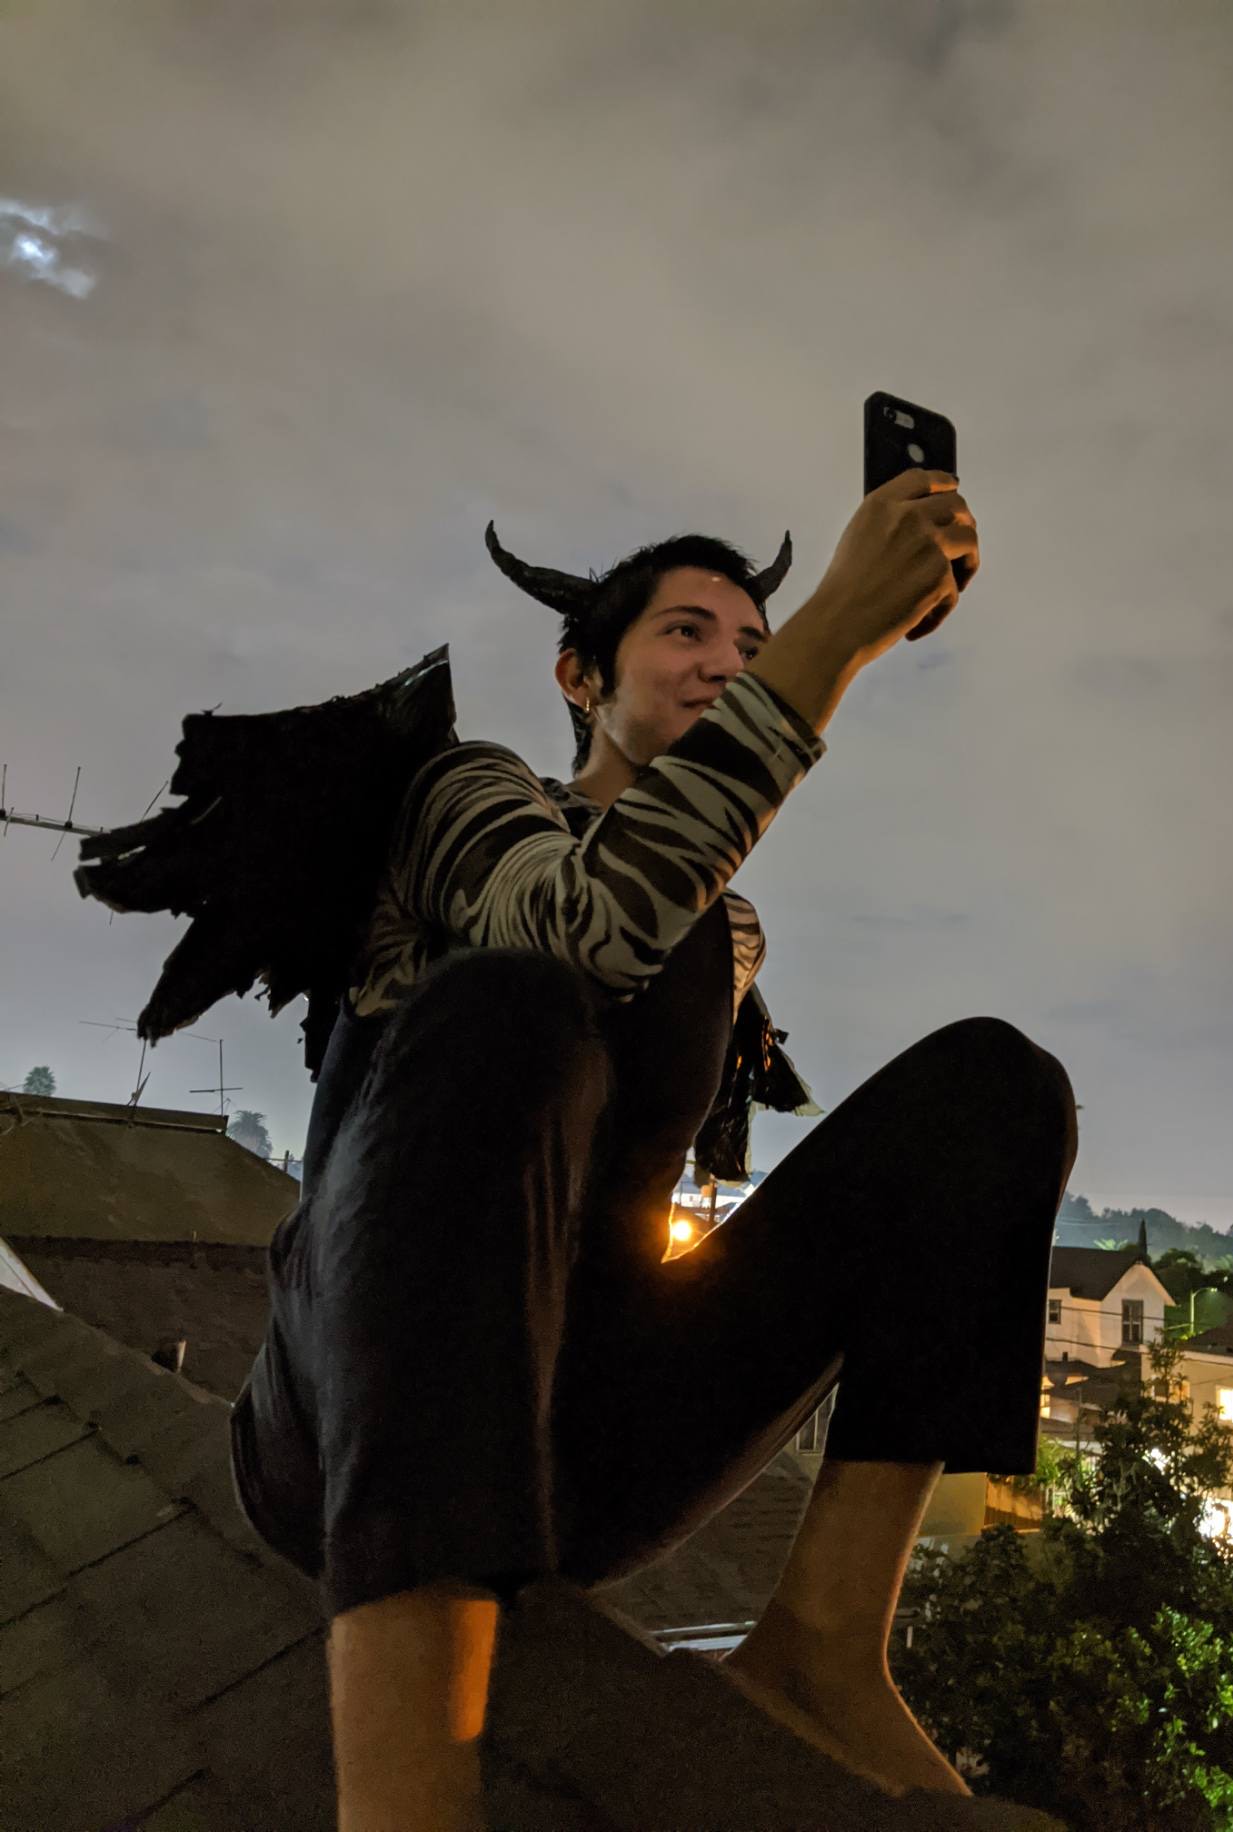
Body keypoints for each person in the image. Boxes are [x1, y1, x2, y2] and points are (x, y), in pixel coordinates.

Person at [223, 464, 1078, 1829]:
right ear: (578, 676)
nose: (729, 663)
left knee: (995, 1087)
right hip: (354, 1416)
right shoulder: (464, 798)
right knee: (511, 1001)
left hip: (585, 1445)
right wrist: (828, 637)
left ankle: (820, 1649)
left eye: (750, 643)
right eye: (688, 632)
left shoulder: (728, 936)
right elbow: (569, 929)